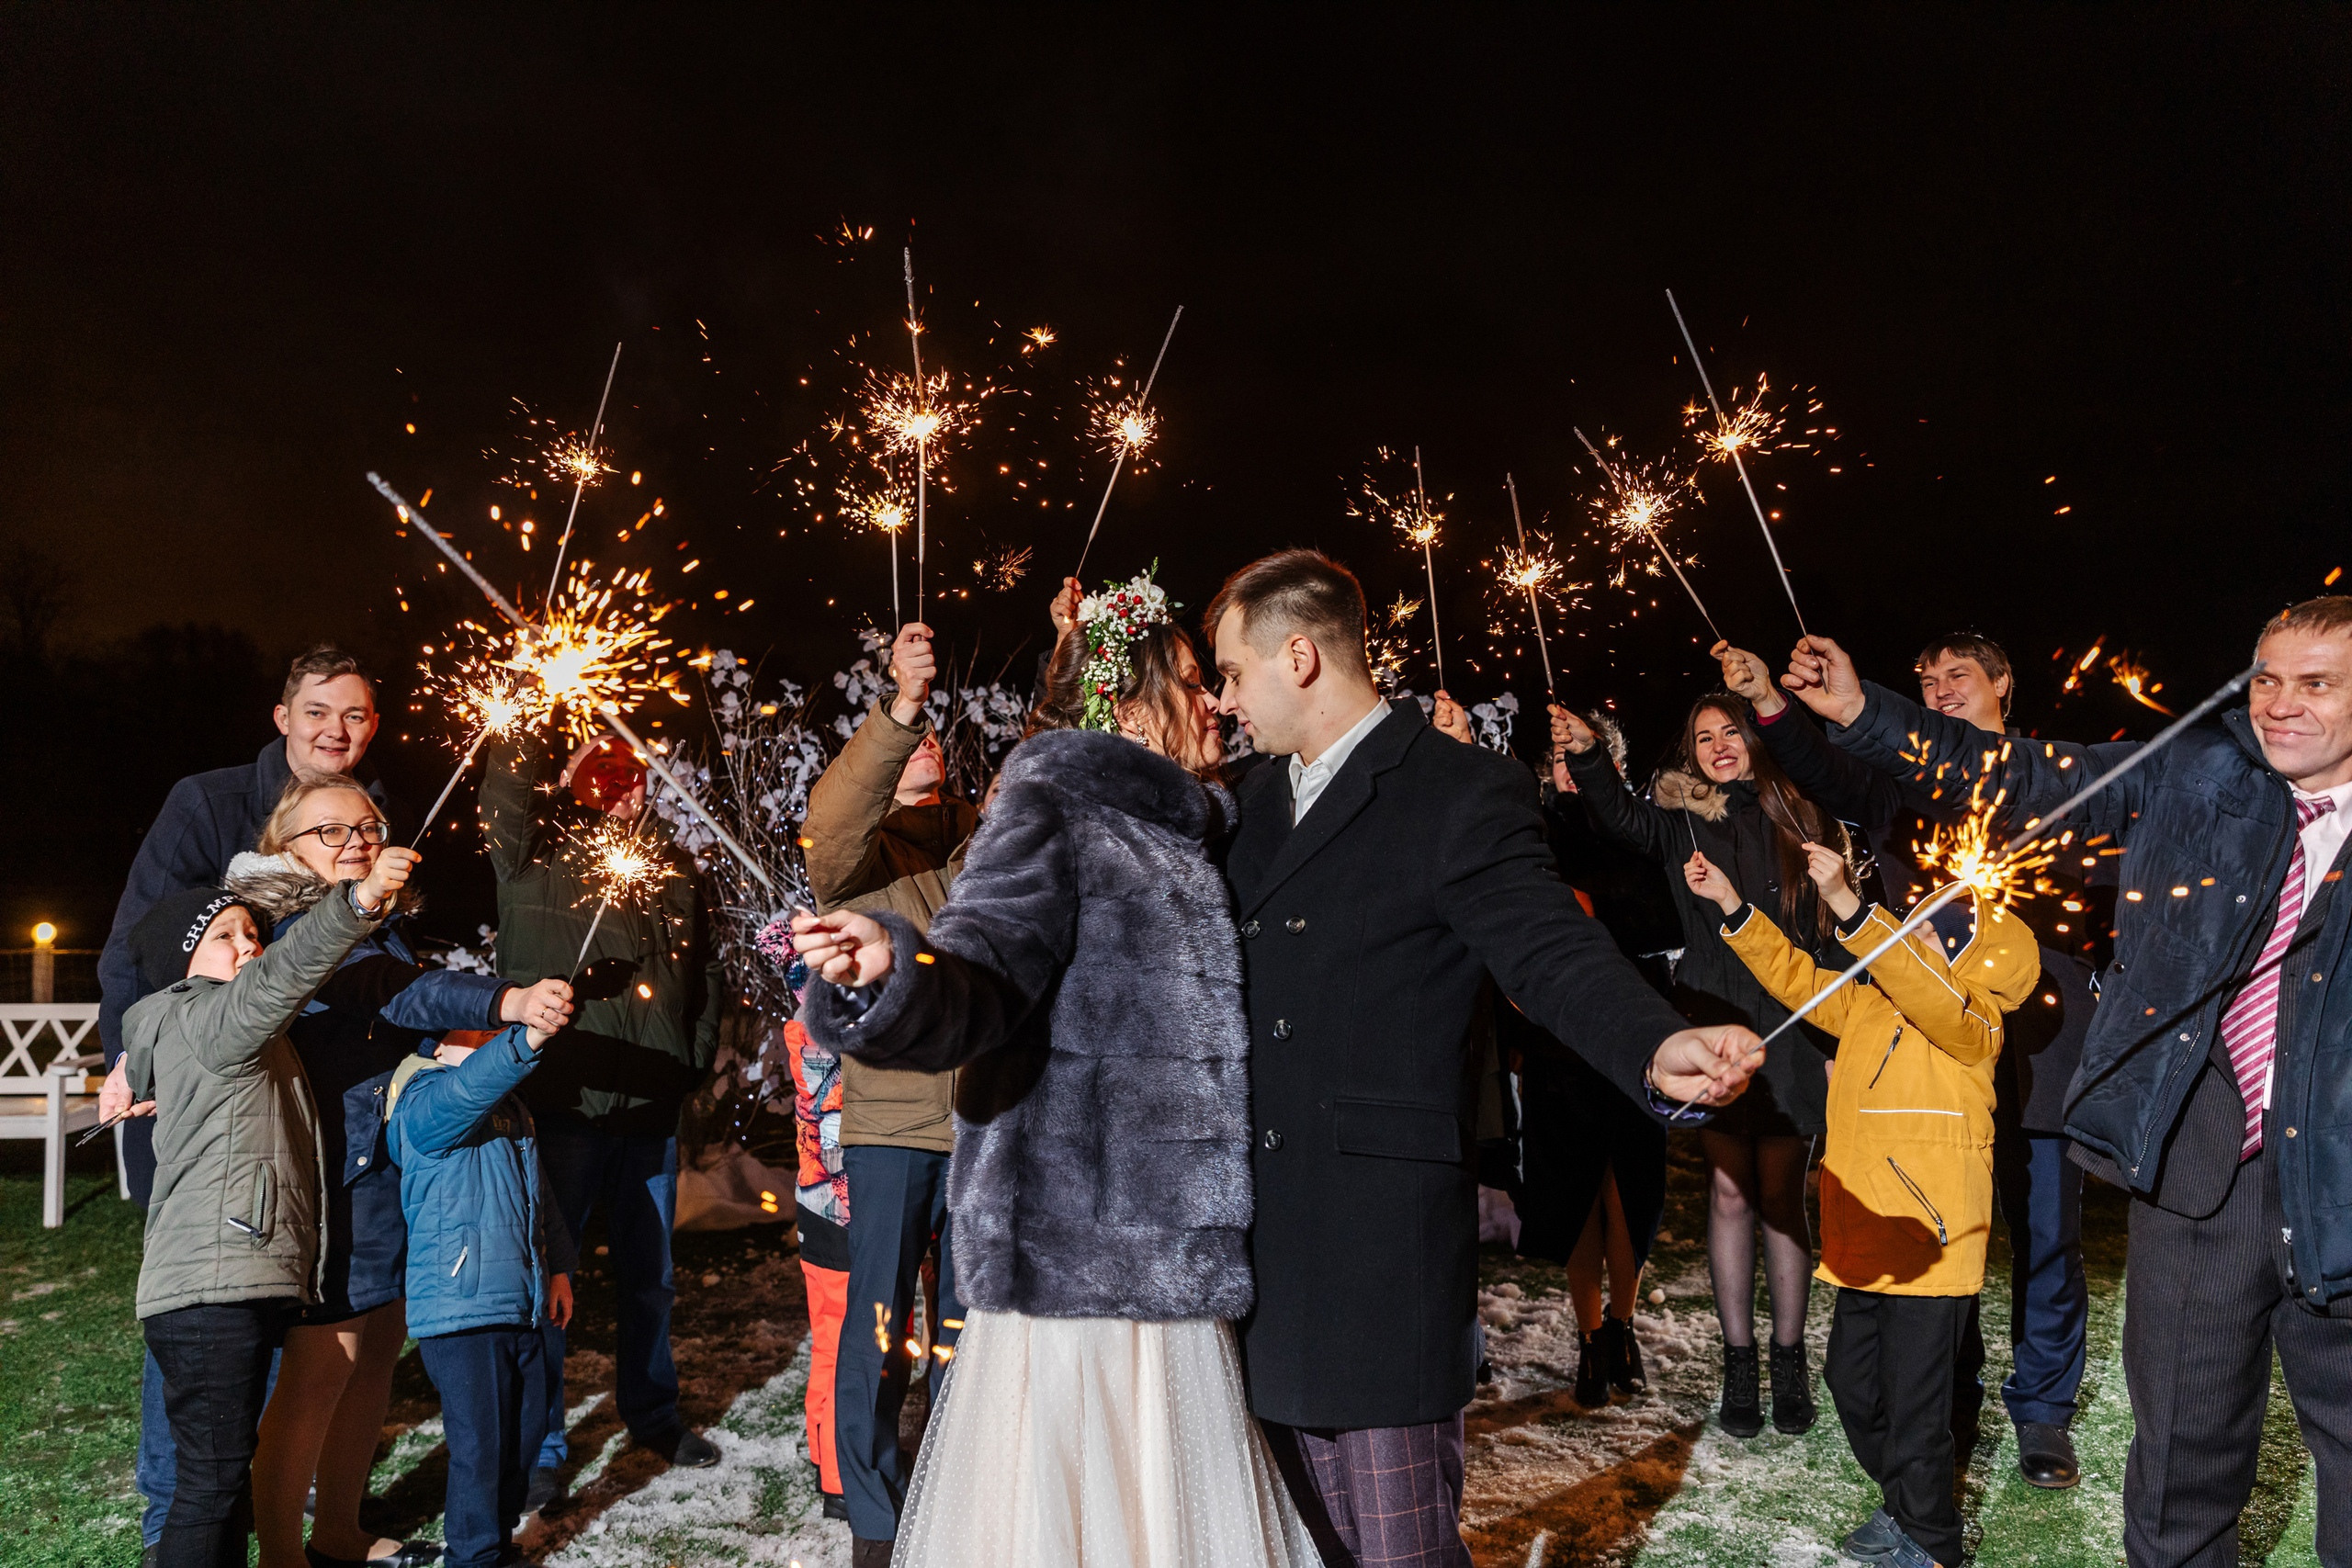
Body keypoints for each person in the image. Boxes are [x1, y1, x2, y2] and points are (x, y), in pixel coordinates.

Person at [1207, 549, 1766, 1565]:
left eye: (1233, 672)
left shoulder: (1455, 788)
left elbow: (1549, 950)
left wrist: (1656, 1041)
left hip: (1373, 1254)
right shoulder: (1240, 801)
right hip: (1253, 1252)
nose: (1224, 698)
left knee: (1400, 1551)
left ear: (1298, 657)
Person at [1782, 597, 2352, 1568]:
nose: (2279, 704)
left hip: (2338, 1186)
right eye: (2266, 678)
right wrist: (1864, 713)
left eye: (2317, 683)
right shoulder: (2199, 770)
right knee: (2178, 1477)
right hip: (2200, 1181)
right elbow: (2018, 775)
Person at [791, 567, 1319, 1568]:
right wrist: (893, 972)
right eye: (1191, 681)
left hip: (1173, 1273)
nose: (1214, 701)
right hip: (1078, 1274)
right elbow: (985, 969)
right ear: (1133, 706)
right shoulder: (1058, 807)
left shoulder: (1193, 832)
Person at [1717, 633, 2097, 1486]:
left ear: (2004, 681)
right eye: (1926, 680)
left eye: (1959, 674)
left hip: (2040, 1041)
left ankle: (2042, 1409)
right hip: (1924, 1048)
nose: (1940, 689)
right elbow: (1824, 770)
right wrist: (1771, 704)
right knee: (1941, 1231)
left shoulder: (2053, 776)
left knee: (2045, 1235)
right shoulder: (1903, 786)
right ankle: (1950, 1397)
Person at [223, 773, 572, 1568]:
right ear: (287, 848)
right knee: (324, 1363)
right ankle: (281, 1554)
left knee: (376, 1352)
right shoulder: (296, 929)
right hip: (336, 1175)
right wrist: (507, 1003)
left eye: (368, 827)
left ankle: (338, 1531)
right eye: (332, 831)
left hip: (386, 1168)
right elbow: (396, 995)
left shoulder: (376, 928)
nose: (356, 841)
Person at [96, 645, 393, 1560]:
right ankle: (174, 1520)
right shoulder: (208, 804)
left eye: (355, 714)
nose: (335, 730)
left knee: (273, 1314)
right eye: (318, 710)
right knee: (206, 1323)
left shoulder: (364, 818)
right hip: (207, 1094)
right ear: (282, 716)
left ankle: (271, 1516)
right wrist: (132, 1058)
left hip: (292, 1113)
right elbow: (140, 942)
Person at [1687, 839, 2035, 1568]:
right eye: (1920, 922)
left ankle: (1931, 1540)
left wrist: (1849, 902)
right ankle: (1906, 1502)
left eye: (1938, 929)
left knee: (1916, 1407)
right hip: (1867, 1237)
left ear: (1976, 955)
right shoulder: (1873, 1005)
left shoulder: (1975, 1022)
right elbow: (1796, 976)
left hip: (1931, 1247)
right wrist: (1731, 905)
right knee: (1850, 1382)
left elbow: (1928, 989)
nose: (1916, 931)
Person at [1554, 690, 1851, 1439]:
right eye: (1703, 736)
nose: (1719, 745)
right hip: (1713, 1021)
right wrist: (1588, 754)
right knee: (1727, 1191)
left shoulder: (1802, 817)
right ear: (1690, 752)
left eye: (1731, 731)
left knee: (1782, 1195)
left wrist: (1833, 1043)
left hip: (1791, 1027)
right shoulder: (1681, 819)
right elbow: (1618, 817)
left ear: (1755, 738)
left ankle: (1788, 1359)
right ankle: (1739, 1363)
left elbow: (1829, 938)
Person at [123, 847, 415, 1568]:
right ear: (183, 961)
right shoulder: (208, 1016)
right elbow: (287, 974)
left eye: (252, 932)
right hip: (209, 1289)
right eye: (224, 935)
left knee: (221, 1482)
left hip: (227, 1281)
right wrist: (357, 901)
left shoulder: (219, 1030)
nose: (249, 944)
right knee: (210, 1485)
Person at [480, 727, 723, 1508]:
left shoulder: (672, 866)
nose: (628, 785)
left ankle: (653, 1412)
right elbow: (507, 789)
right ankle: (542, 1444)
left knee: (650, 1277)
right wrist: (529, 709)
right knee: (549, 1277)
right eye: (607, 769)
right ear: (569, 775)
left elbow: (704, 970)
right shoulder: (534, 853)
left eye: (638, 772)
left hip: (649, 1108)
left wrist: (689, 1058)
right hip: (565, 1104)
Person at [798, 615, 979, 1559]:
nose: (925, 742)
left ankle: (954, 1491)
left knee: (965, 1332)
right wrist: (902, 705)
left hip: (985, 1125)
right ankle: (872, 1514)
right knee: (877, 1324)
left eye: (933, 733)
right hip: (894, 1130)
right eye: (911, 738)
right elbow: (830, 823)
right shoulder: (857, 864)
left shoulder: (981, 842)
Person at [386, 1012, 578, 1568]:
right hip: (461, 1307)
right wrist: (525, 1039)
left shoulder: (512, 1108)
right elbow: (467, 1090)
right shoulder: (423, 1096)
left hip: (519, 1300)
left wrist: (558, 1269)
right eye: (482, 1032)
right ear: (441, 1043)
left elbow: (538, 1195)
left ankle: (494, 1543)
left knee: (524, 1433)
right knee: (481, 1446)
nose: (495, 1040)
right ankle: (472, 1557)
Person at [780, 956, 853, 1521]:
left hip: (819, 1206)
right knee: (842, 1342)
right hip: (838, 1210)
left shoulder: (804, 1032)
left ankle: (822, 1449)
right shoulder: (824, 1040)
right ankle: (838, 1478)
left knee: (831, 1338)